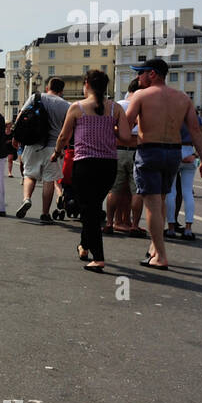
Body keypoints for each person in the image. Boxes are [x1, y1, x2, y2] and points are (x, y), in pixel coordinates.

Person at [120, 58, 202, 270]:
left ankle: (160, 255)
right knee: (160, 200)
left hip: (150, 151)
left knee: (152, 205)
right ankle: (154, 248)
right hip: (173, 153)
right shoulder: (183, 98)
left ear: (152, 74)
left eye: (140, 73)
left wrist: (111, 132)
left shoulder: (141, 95)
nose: (137, 77)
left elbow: (126, 128)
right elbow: (196, 132)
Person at [53, 70, 125, 272]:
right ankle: (84, 246)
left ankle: (99, 258)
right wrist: (109, 130)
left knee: (90, 211)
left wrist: (57, 152)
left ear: (86, 84)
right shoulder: (115, 109)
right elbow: (126, 137)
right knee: (92, 207)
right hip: (109, 165)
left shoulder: (77, 107)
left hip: (85, 164)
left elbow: (63, 137)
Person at [14, 78, 71, 223]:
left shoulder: (36, 97)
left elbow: (21, 115)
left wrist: (17, 136)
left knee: (29, 175)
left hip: (32, 144)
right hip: (53, 147)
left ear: (47, 87)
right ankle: (45, 213)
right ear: (61, 91)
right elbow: (67, 130)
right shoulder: (66, 105)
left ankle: (27, 199)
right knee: (49, 180)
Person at [105, 78, 145, 237]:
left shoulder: (118, 105)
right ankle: (133, 224)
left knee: (114, 189)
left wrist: (120, 133)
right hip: (137, 150)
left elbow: (110, 128)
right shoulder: (144, 104)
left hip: (118, 149)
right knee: (136, 191)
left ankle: (110, 222)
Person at [164, 121, 199, 239]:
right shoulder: (194, 117)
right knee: (188, 192)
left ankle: (171, 228)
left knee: (171, 192)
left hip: (173, 150)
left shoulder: (171, 113)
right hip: (190, 151)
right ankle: (188, 229)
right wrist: (196, 155)